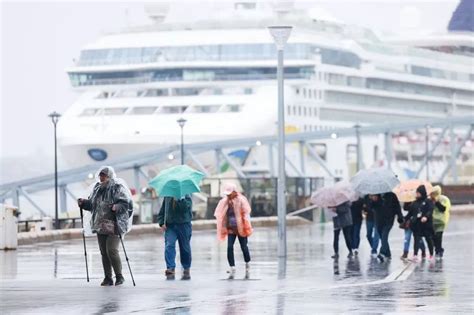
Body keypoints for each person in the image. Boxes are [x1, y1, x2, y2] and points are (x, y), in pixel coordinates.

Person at [78, 166, 133, 286]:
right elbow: (92, 205)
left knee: (111, 250)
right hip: (101, 225)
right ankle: (108, 277)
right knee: (104, 252)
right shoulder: (97, 188)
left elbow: (126, 204)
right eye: (101, 175)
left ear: (110, 176)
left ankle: (119, 276)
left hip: (114, 224)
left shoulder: (117, 188)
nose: (101, 177)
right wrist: (83, 203)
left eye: (104, 175)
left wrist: (116, 207)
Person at [214, 183, 253, 277]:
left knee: (244, 246)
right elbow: (219, 213)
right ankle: (232, 267)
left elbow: (247, 211)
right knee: (229, 247)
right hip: (231, 228)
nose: (228, 195)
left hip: (241, 227)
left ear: (234, 192)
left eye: (230, 193)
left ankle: (247, 263)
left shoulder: (241, 200)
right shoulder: (225, 202)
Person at [158, 194, 193, 280]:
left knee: (185, 248)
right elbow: (163, 210)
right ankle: (170, 267)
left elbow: (185, 209)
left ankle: (186, 267)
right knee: (169, 245)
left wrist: (180, 200)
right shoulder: (167, 196)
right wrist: (162, 222)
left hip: (184, 225)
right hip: (170, 226)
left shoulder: (186, 195)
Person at [404, 185, 435, 261]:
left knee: (428, 239)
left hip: (426, 225)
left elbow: (430, 210)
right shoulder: (414, 203)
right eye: (416, 193)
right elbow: (410, 213)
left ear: (422, 193)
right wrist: (403, 219)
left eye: (418, 193)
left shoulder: (428, 201)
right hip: (417, 225)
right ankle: (415, 255)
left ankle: (431, 254)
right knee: (416, 239)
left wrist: (426, 217)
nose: (417, 194)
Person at [372, 192, 403, 262]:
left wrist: (399, 216)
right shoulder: (376, 195)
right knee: (382, 238)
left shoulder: (392, 195)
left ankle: (382, 253)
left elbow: (397, 207)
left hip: (389, 220)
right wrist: (374, 200)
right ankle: (388, 254)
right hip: (379, 221)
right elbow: (371, 207)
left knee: (384, 236)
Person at [430, 185, 451, 260]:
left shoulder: (443, 199)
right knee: (433, 238)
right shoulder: (429, 200)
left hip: (441, 221)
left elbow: (443, 209)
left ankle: (438, 251)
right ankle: (439, 249)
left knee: (438, 236)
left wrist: (436, 202)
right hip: (432, 221)